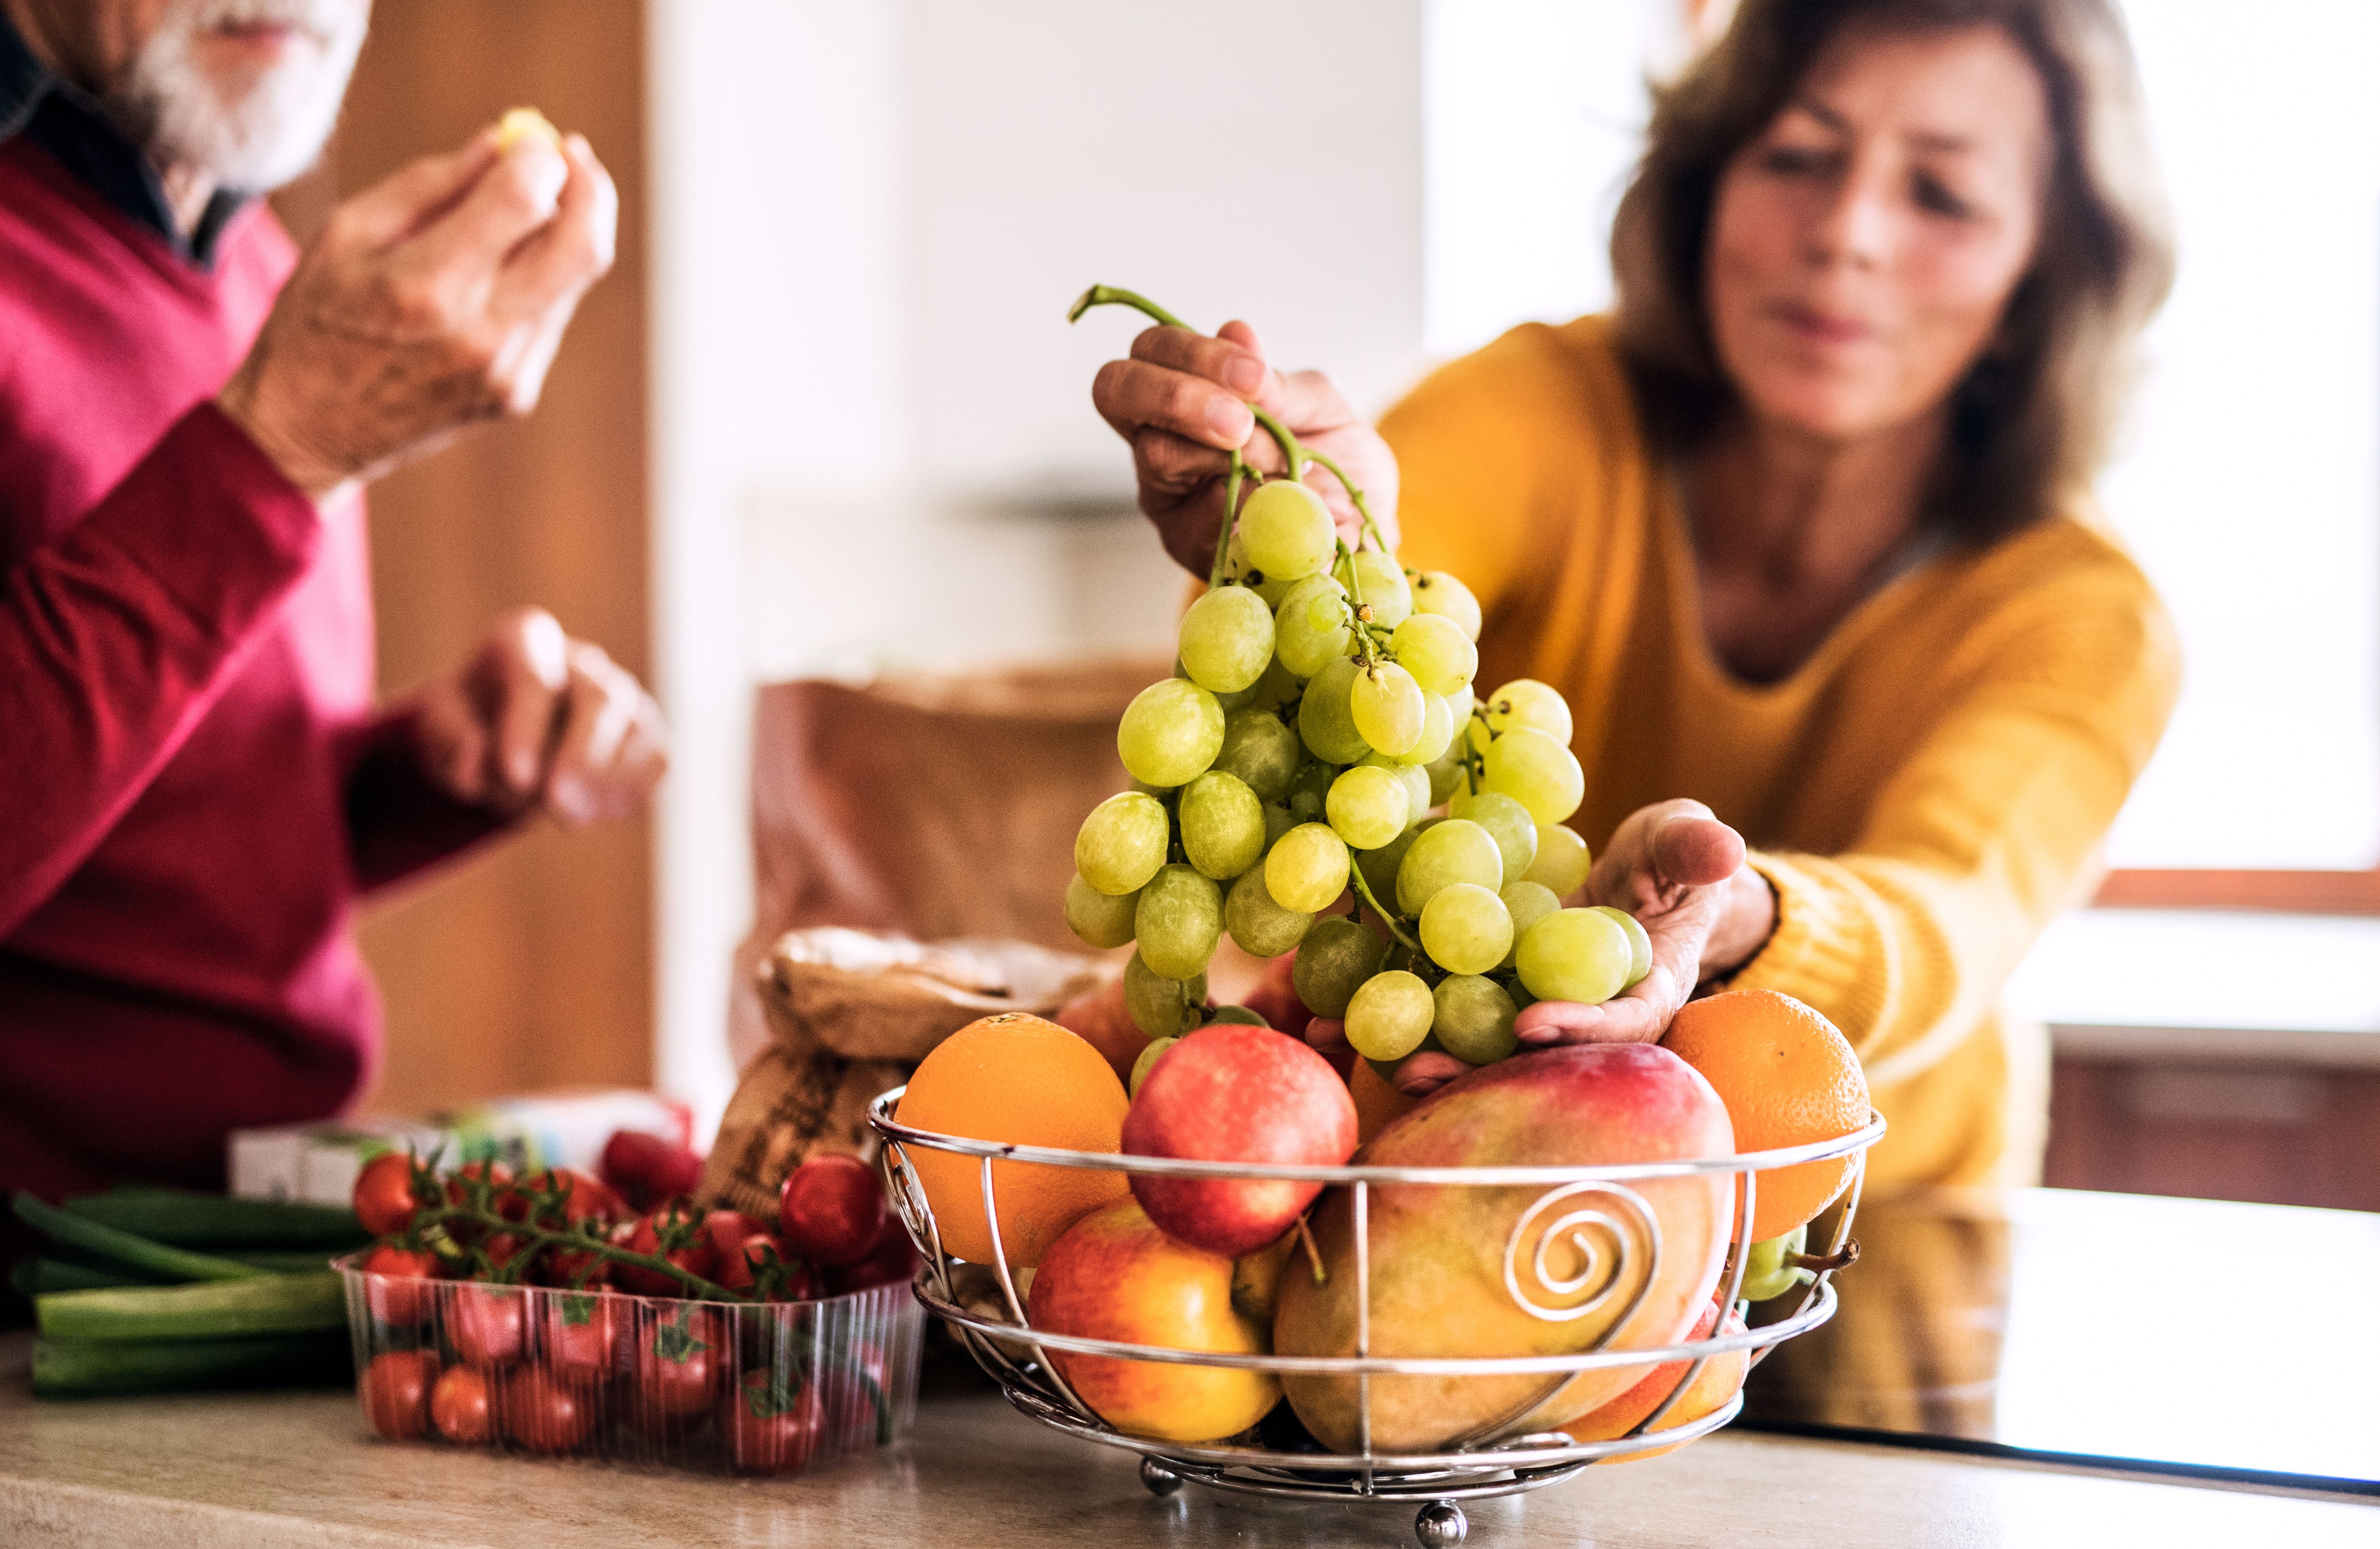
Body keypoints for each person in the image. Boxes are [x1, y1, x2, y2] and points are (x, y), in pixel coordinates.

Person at [1091, 0, 2177, 1189]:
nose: (1849, 232)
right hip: (1478, 1181)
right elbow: (1379, 595)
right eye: (1799, 157)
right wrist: (1304, 542)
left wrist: (1741, 916)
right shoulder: (1545, 406)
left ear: (2041, 278)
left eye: (1944, 197)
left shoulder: (2085, 612)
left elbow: (1952, 912)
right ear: (1707, 184)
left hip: (1863, 1226)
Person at [0, 0, 665, 1208]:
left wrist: (432, 770)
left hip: (241, 1243)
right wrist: (281, 447)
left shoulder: (259, 267)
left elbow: (137, 852)